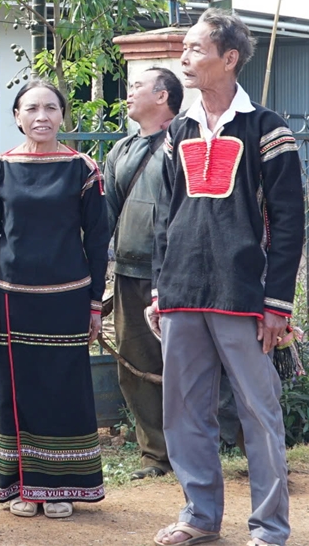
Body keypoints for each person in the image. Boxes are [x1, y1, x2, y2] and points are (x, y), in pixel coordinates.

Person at [146, 8, 305, 546]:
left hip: (244, 295)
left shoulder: (267, 129)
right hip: (181, 293)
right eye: (184, 48)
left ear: (230, 58)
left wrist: (277, 304)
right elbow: (165, 215)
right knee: (183, 412)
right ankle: (199, 516)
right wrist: (159, 288)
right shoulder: (178, 130)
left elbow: (289, 222)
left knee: (259, 413)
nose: (185, 57)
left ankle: (269, 527)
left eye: (196, 48)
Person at [0, 79, 108, 519]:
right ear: (17, 116)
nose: (42, 117)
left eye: (51, 108)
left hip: (68, 300)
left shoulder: (83, 169)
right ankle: (23, 487)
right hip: (14, 302)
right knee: (20, 392)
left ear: (63, 115)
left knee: (64, 390)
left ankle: (61, 486)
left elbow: (98, 240)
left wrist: (94, 304)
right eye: (31, 108)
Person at [103, 66, 183, 480]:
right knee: (135, 363)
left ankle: (208, 446)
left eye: (137, 87)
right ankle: (156, 454)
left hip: (178, 275)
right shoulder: (121, 150)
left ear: (163, 96)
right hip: (130, 273)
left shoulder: (185, 142)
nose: (128, 93)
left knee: (192, 361)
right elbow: (106, 216)